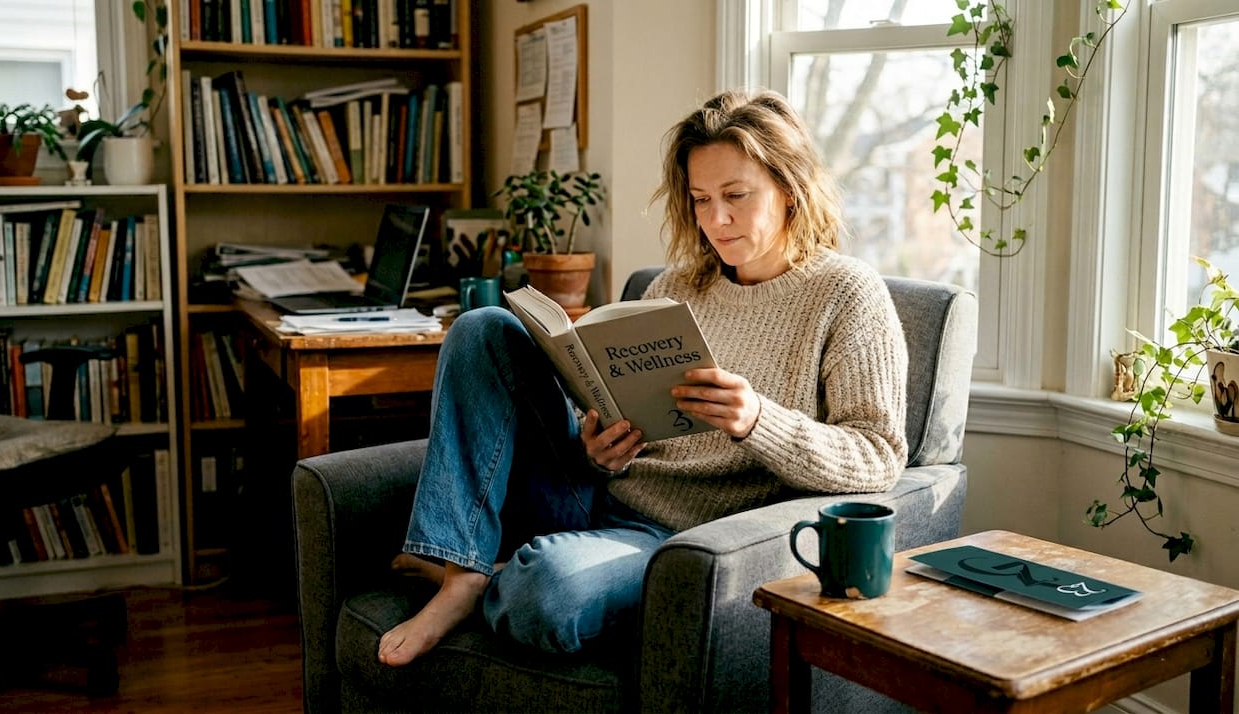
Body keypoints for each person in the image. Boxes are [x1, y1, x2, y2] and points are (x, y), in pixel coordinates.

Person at [378, 89, 909, 666]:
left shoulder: (847, 294)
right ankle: (463, 574)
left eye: (736, 196)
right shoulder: (674, 289)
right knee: (482, 328)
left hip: (681, 542)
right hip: (597, 497)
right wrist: (600, 449)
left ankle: (496, 568)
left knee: (549, 592)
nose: (716, 220)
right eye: (700, 199)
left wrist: (759, 420)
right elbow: (624, 429)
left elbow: (879, 456)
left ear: (790, 191)